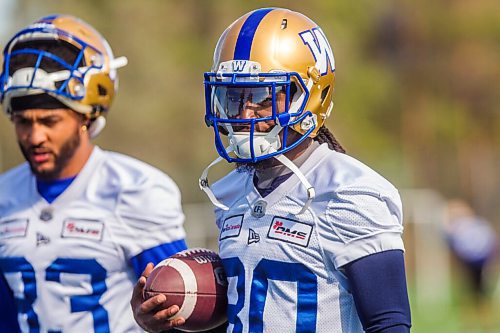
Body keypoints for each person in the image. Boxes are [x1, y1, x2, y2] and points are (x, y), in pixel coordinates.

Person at [131, 7, 412, 333]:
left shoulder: (350, 192)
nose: (245, 112)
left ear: (309, 97)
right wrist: (167, 321)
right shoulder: (230, 191)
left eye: (263, 97)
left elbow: (388, 324)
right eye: (234, 96)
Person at [0, 14, 187, 332]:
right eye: (23, 121)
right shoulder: (5, 194)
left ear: (86, 116)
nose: (34, 137)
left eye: (49, 121)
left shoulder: (136, 189)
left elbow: (182, 311)